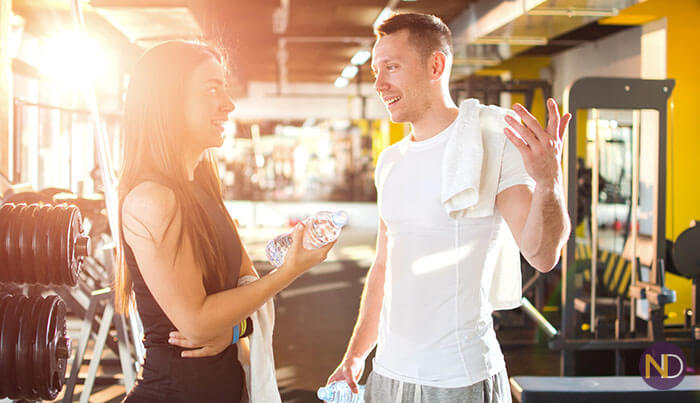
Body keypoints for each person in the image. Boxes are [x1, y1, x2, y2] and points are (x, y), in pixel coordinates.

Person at [326, 13, 571, 403]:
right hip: (388, 374)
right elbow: (385, 267)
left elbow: (542, 255)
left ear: (436, 65)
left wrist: (547, 181)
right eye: (375, 69)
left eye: (391, 67)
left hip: (461, 379)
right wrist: (356, 357)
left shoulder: (492, 141)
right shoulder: (389, 161)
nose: (378, 83)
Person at [115, 40, 334, 403]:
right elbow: (197, 323)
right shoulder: (151, 200)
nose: (229, 104)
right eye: (211, 89)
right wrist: (288, 271)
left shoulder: (202, 184)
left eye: (225, 88)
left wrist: (235, 330)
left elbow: (241, 289)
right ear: (168, 101)